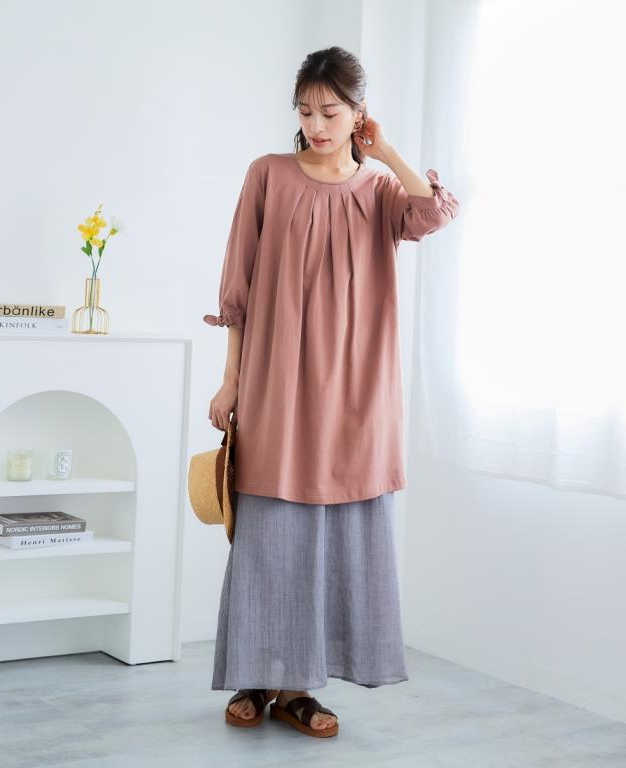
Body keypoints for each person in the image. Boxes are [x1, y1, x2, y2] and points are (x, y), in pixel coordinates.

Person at [204, 46, 460, 738]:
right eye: (306, 111)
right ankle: (255, 676)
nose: (316, 126)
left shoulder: (378, 189)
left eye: (331, 112)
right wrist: (230, 379)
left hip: (356, 388)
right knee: (269, 535)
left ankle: (299, 690)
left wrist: (388, 151)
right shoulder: (267, 174)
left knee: (332, 536)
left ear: (358, 114)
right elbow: (239, 286)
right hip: (276, 380)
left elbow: (434, 213)